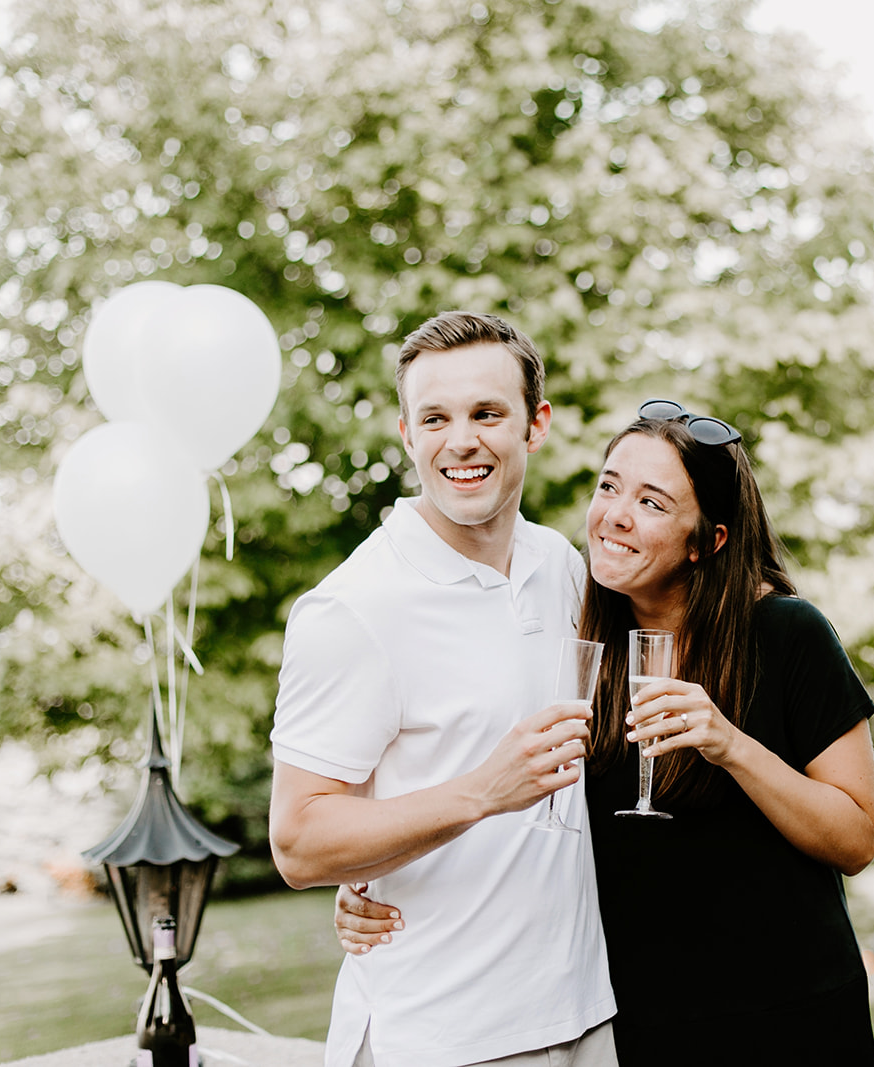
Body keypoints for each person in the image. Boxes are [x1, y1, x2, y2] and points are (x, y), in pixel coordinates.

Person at [338, 399, 874, 1065]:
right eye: (609, 486)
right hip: (643, 1023)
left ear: (707, 539)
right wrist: (372, 882)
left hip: (790, 1014)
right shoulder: (581, 634)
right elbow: (517, 802)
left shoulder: (788, 633)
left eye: (653, 502)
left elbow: (854, 837)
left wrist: (729, 744)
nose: (615, 514)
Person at [268, 311, 616, 1067]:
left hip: (584, 1015)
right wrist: (482, 791)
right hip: (443, 1036)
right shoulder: (355, 606)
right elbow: (298, 839)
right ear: (407, 434)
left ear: (536, 424)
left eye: (487, 413)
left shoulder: (558, 564)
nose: (462, 439)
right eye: (436, 417)